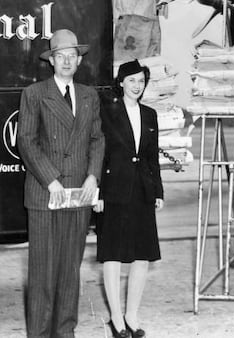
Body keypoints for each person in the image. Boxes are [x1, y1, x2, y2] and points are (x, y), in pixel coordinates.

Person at [17, 29, 105, 338]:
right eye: (60, 56)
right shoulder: (34, 94)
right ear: (51, 61)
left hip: (79, 193)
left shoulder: (89, 95)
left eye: (72, 56)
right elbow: (26, 142)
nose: (67, 61)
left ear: (79, 61)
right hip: (45, 194)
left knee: (70, 270)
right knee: (42, 272)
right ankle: (39, 334)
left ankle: (65, 332)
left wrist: (93, 176)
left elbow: (97, 139)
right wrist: (50, 179)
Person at [94, 59, 165, 338]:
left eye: (141, 81)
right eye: (132, 80)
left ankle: (131, 315)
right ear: (121, 82)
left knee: (142, 255)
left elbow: (152, 157)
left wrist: (157, 191)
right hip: (113, 190)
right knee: (112, 254)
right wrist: (97, 191)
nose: (137, 85)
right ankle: (115, 318)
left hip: (142, 190)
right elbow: (99, 151)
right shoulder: (107, 111)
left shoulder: (150, 114)